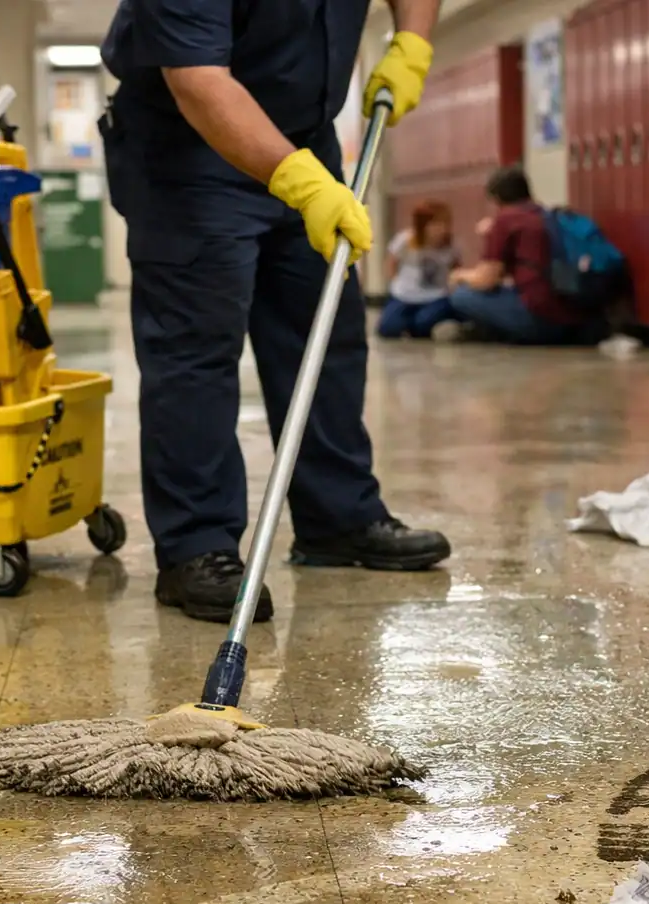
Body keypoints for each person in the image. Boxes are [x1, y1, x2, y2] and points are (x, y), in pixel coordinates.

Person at [100, 0, 452, 624]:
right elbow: (198, 79)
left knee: (324, 330)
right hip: (187, 145)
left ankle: (337, 518)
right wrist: (299, 182)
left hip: (306, 136)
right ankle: (196, 547)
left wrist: (413, 42)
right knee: (197, 349)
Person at [445, 165, 590, 344]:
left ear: (497, 198)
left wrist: (458, 275)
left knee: (462, 295)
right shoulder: (547, 215)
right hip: (573, 318)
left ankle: (496, 333)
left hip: (540, 320)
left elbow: (485, 279)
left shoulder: (506, 220)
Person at [377, 199, 460, 339]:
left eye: (444, 224)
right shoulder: (405, 240)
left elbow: (457, 268)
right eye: (434, 224)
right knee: (388, 329)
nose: (440, 229)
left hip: (436, 296)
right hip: (404, 295)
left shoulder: (451, 246)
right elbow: (391, 262)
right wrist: (395, 282)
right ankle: (405, 322)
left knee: (423, 325)